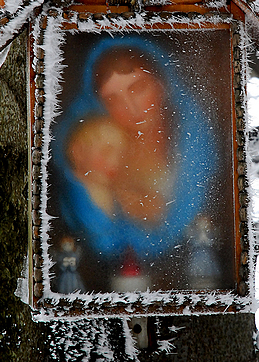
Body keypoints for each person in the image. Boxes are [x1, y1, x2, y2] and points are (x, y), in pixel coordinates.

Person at [53, 35, 218, 260]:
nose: (130, 108)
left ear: (161, 84)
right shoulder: (100, 150)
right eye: (112, 100)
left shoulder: (194, 145)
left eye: (137, 88)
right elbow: (96, 227)